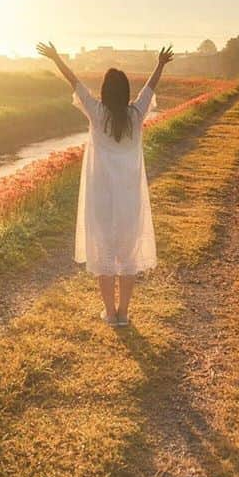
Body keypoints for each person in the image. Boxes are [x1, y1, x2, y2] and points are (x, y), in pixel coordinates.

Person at [36, 41, 174, 327]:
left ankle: (109, 313)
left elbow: (75, 82)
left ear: (104, 92)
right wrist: (160, 64)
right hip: (129, 197)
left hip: (100, 196)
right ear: (125, 94)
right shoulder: (136, 116)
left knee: (104, 254)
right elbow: (149, 89)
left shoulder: (98, 115)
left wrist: (57, 58)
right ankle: (124, 313)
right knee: (127, 254)